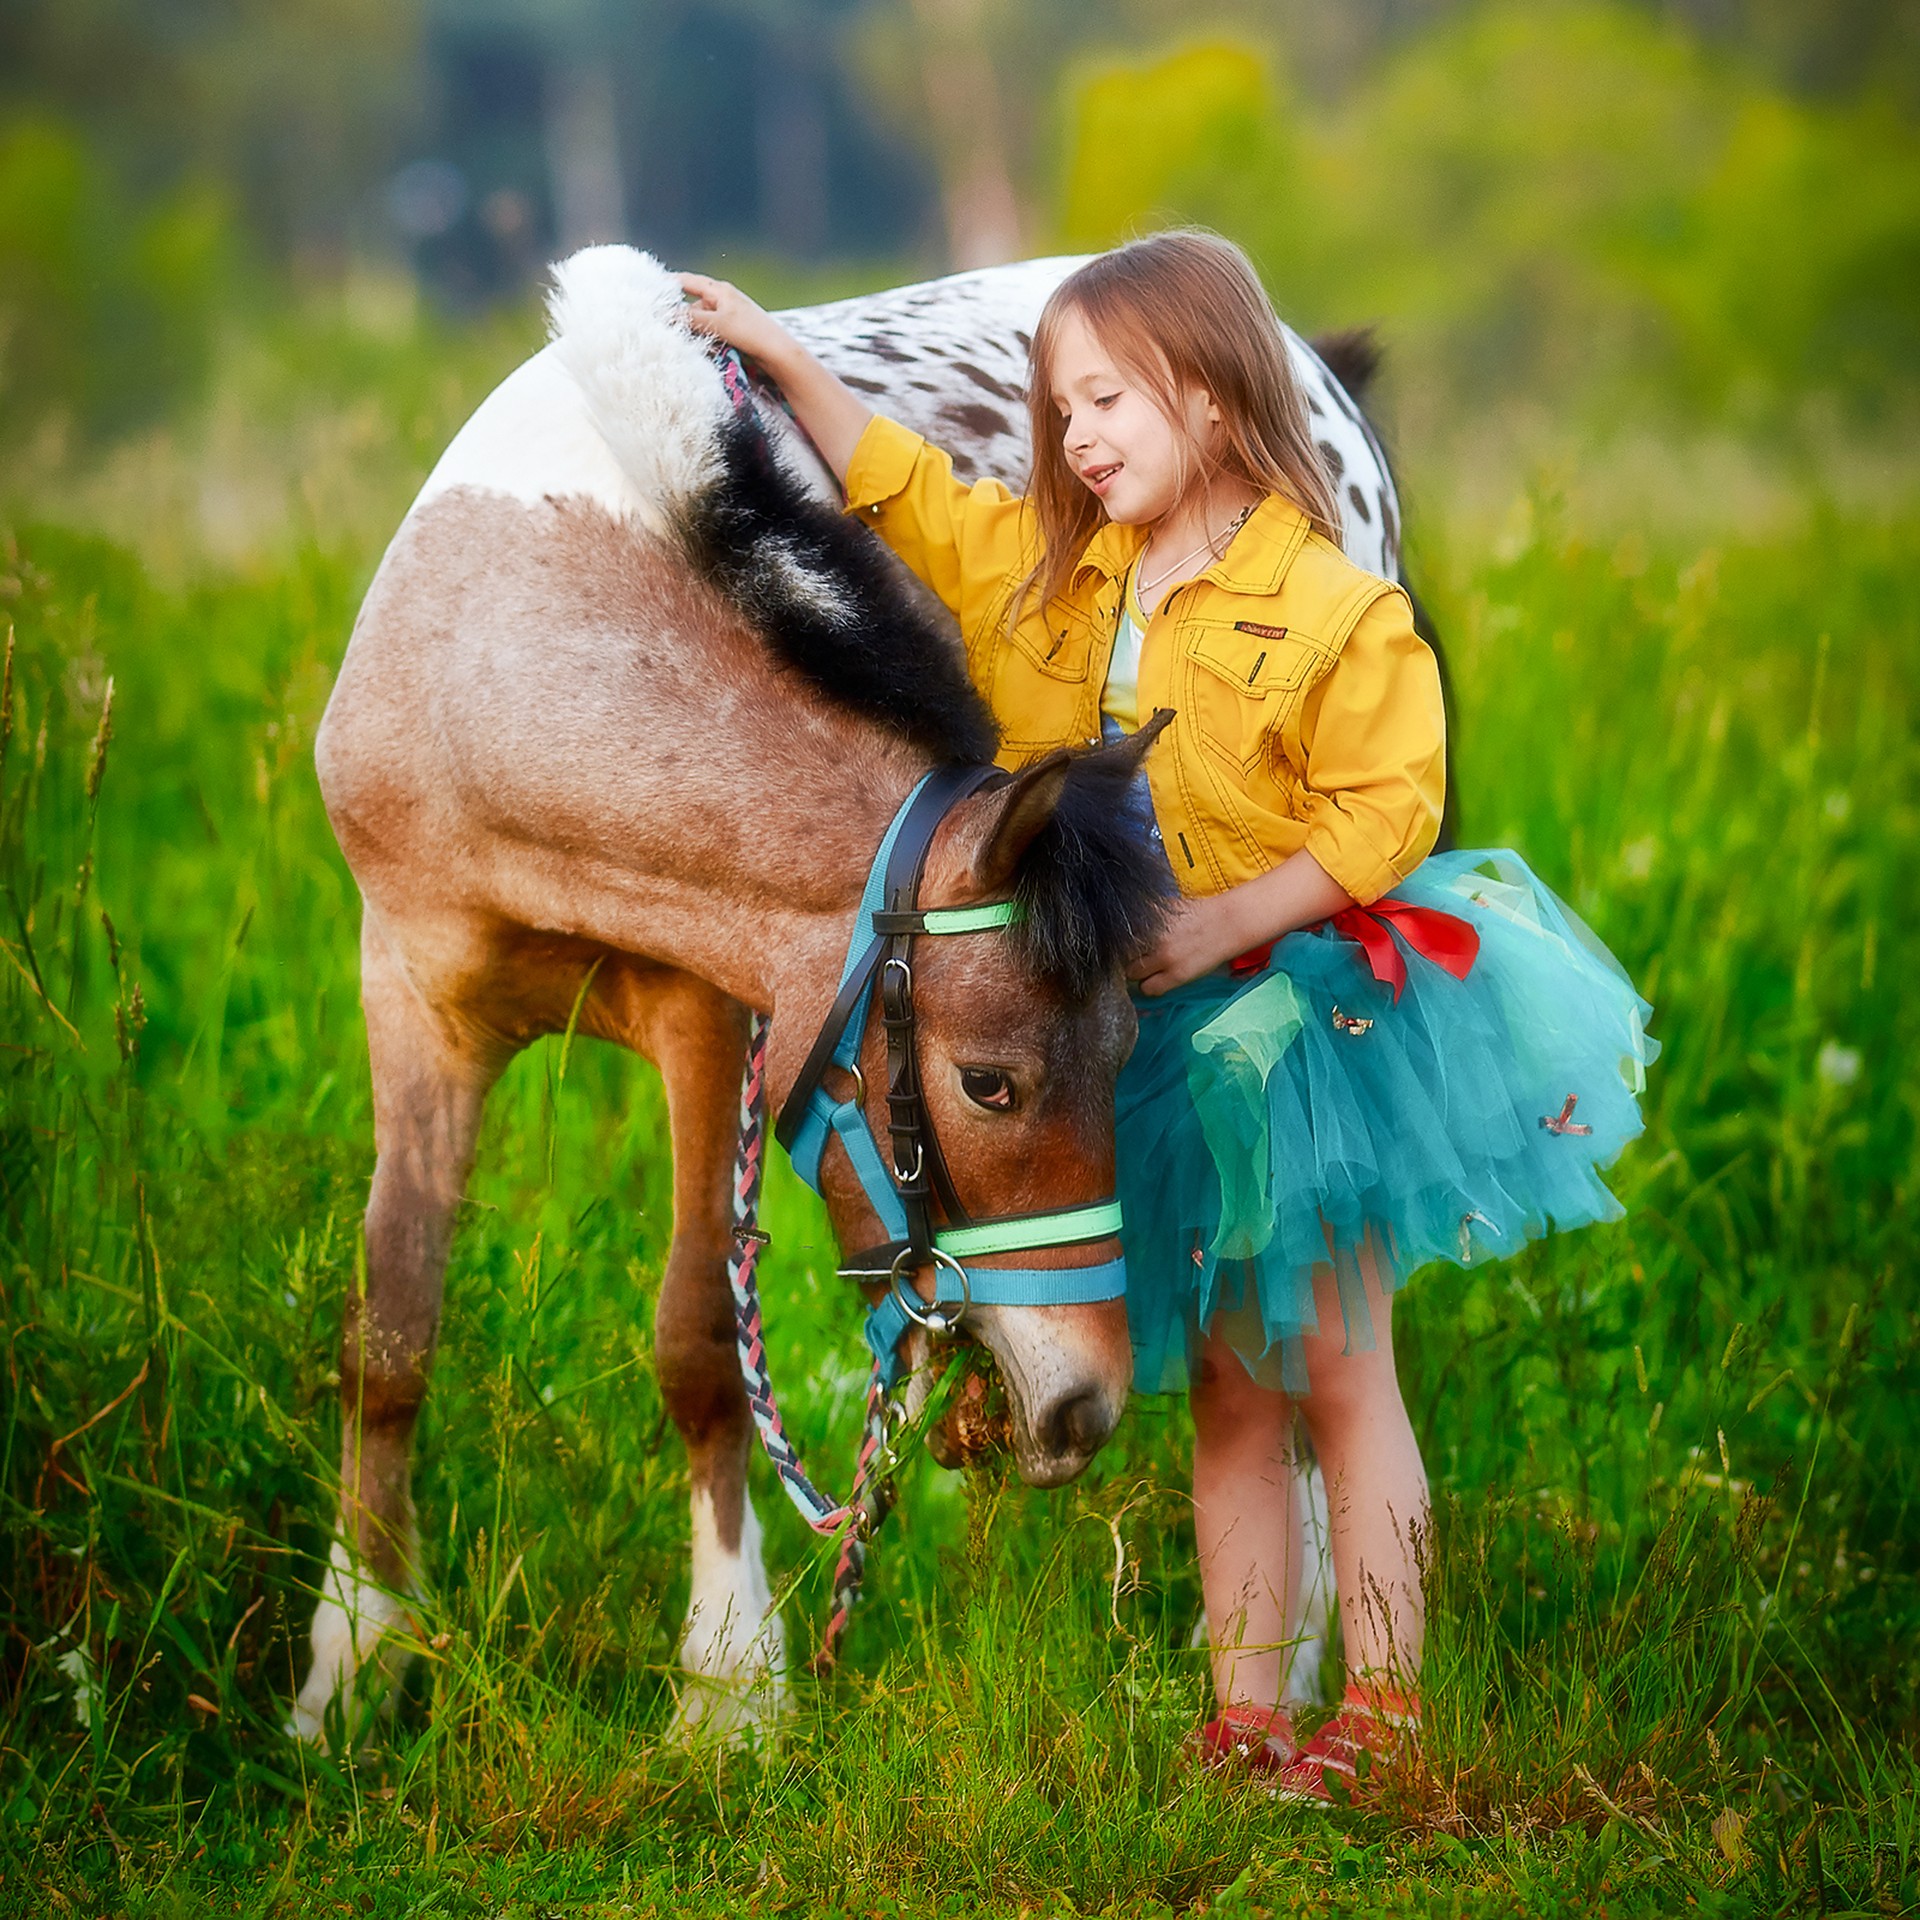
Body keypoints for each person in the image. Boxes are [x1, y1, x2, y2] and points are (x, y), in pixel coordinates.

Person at [676, 231, 1655, 1802]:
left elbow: (1385, 812)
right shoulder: (1058, 586)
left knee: (1339, 1368)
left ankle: (1387, 1713)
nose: (1079, 440)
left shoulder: (1331, 609)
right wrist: (787, 355)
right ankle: (1249, 1714)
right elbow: (910, 489)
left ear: (1209, 400)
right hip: (1159, 1052)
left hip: (1306, 1027)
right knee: (1226, 1391)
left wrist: (1231, 919)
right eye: (1063, 412)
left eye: (1108, 402)